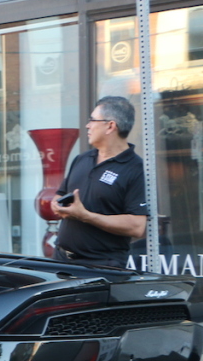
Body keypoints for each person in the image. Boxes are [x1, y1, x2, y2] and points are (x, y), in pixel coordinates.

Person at [52, 96, 148, 267]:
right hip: (61, 261)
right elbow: (61, 193)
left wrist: (86, 216)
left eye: (92, 120)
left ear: (110, 126)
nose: (88, 125)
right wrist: (56, 204)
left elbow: (137, 226)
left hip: (101, 267)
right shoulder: (81, 159)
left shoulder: (136, 168)